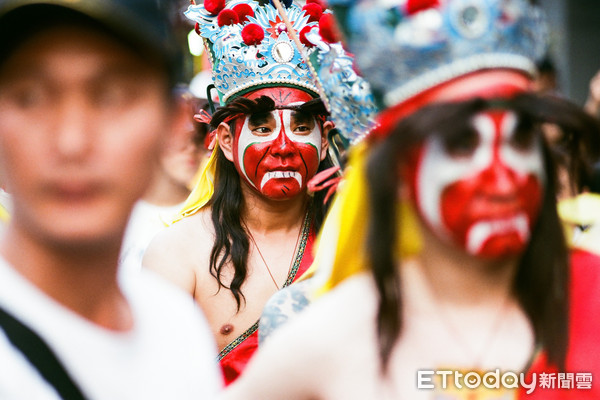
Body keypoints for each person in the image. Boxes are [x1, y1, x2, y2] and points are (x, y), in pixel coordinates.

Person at [219, 0, 600, 399]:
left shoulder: (591, 292)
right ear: (398, 168)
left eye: (520, 138)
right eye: (462, 143)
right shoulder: (334, 337)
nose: (503, 176)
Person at [0, 1, 222, 399]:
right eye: (29, 96)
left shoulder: (177, 331)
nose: (72, 142)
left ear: (174, 125)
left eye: (112, 96)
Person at [143, 0, 336, 385]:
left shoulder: (356, 235)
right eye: (262, 128)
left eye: (301, 126)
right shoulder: (178, 254)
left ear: (326, 137)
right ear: (227, 141)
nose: (283, 146)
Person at [119, 87, 208, 281]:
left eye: (199, 137)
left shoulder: (213, 212)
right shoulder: (115, 215)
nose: (190, 148)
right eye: (179, 138)